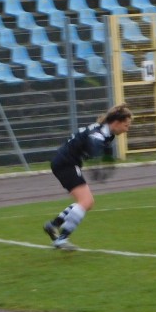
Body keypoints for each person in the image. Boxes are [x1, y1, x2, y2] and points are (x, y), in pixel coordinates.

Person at [43, 103, 133, 250]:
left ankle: (53, 225)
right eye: (126, 125)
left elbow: (103, 147)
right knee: (86, 201)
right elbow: (95, 143)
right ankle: (61, 239)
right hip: (67, 164)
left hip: (65, 162)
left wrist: (105, 162)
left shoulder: (107, 132)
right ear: (116, 123)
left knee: (87, 203)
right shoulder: (100, 132)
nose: (127, 129)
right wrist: (97, 164)